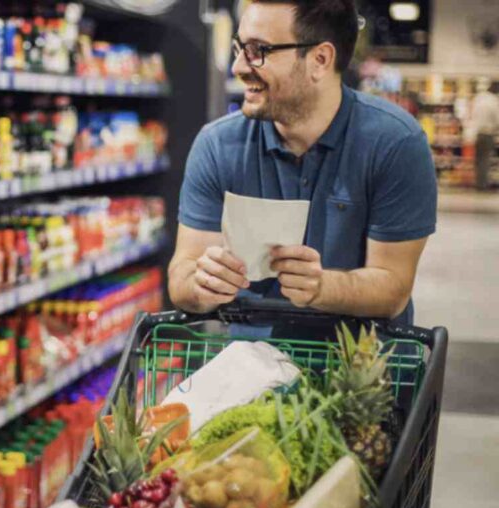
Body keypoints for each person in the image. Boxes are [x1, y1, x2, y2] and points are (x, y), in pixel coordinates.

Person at [168, 0, 437, 327]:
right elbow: (181, 277)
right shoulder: (217, 145)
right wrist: (201, 283)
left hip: (362, 366)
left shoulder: (395, 144)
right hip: (250, 367)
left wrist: (322, 287)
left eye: (258, 50)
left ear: (320, 60)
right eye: (240, 48)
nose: (238, 66)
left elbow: (393, 288)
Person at [470, 79, 499, 191]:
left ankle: (478, 183)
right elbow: (497, 119)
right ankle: (483, 185)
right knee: (485, 159)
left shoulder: (479, 98)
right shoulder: (494, 101)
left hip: (477, 133)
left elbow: (472, 115)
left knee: (478, 160)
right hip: (488, 133)